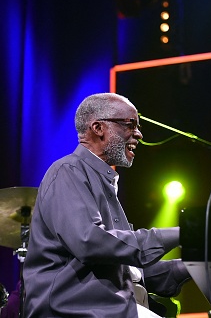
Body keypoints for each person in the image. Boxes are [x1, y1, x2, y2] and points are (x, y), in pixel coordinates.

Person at [23, 93, 192, 318]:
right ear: (98, 127)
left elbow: (132, 272)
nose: (139, 134)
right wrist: (186, 233)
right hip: (70, 310)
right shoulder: (67, 171)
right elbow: (90, 242)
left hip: (108, 308)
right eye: (131, 124)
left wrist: (196, 262)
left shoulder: (103, 182)